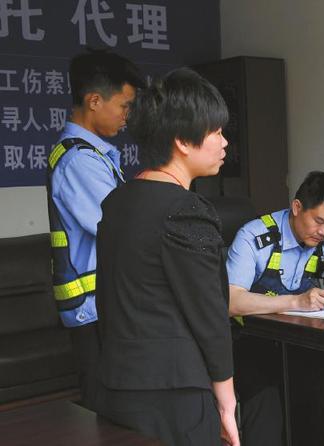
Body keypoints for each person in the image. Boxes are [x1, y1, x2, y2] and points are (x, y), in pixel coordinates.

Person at [95, 68, 239, 446]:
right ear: (183, 141)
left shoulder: (117, 202)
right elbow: (209, 313)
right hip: (175, 395)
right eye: (216, 131)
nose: (224, 142)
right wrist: (226, 401)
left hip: (117, 385)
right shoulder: (186, 209)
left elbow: (108, 297)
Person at [226, 170, 324, 446]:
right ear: (297, 207)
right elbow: (232, 301)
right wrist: (296, 301)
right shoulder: (254, 236)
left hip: (301, 343)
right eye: (319, 221)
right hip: (251, 344)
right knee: (268, 402)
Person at [46, 49, 144, 410]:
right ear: (94, 101)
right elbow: (123, 227)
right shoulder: (79, 161)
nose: (126, 116)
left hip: (103, 305)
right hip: (94, 308)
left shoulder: (93, 155)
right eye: (123, 105)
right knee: (106, 412)